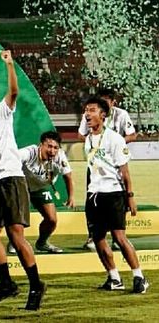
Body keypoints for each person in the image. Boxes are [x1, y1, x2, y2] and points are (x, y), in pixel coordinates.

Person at [0, 50, 45, 310]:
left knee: (16, 235)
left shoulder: (2, 111)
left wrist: (10, 64)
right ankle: (7, 283)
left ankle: (36, 285)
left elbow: (13, 92)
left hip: (10, 178)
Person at [82, 97, 149, 294]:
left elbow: (124, 172)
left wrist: (130, 196)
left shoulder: (115, 139)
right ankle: (114, 278)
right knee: (98, 237)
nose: (87, 114)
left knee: (119, 237)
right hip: (94, 195)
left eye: (92, 110)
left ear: (103, 115)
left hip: (113, 194)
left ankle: (139, 276)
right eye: (86, 110)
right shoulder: (87, 139)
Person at [18, 131, 74, 254]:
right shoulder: (30, 152)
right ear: (41, 145)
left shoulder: (60, 156)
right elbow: (13, 159)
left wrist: (71, 196)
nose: (52, 151)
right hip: (22, 186)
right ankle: (15, 243)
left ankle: (42, 243)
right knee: (19, 218)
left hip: (40, 187)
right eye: (49, 146)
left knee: (52, 219)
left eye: (55, 147)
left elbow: (68, 175)